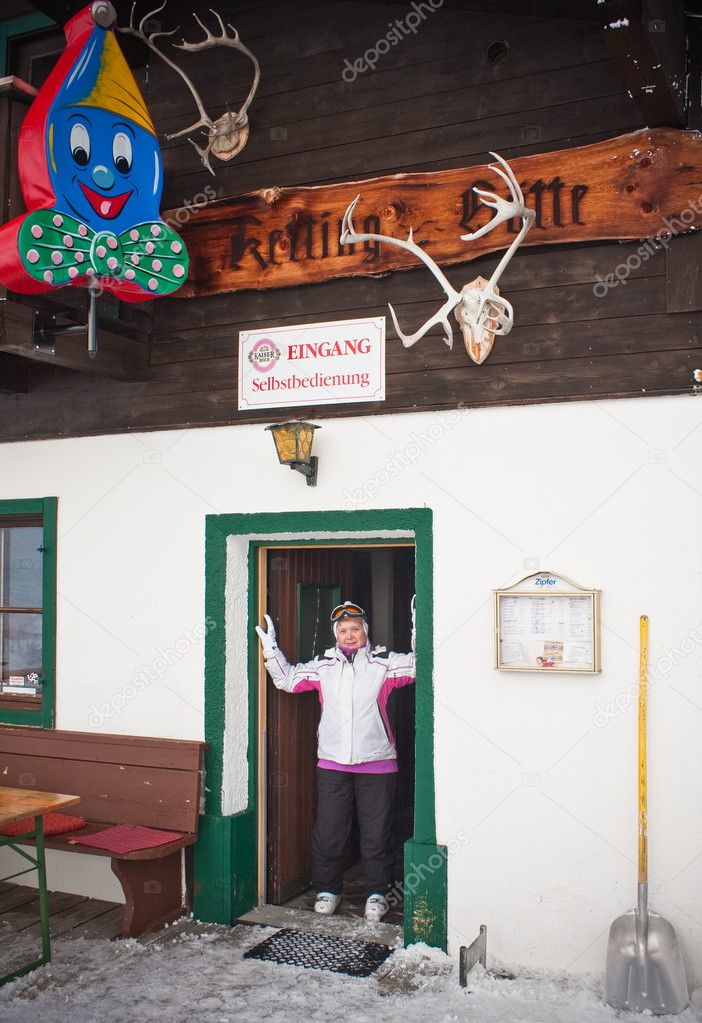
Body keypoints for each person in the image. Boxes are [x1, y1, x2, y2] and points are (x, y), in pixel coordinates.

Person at [255, 598, 416, 922]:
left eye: (355, 628)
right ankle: (328, 889)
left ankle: (376, 894)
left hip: (377, 763)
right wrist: (271, 649)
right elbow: (286, 679)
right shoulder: (323, 668)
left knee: (375, 833)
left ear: (365, 631)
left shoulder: (383, 665)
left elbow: (420, 664)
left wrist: (419, 626)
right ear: (335, 635)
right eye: (343, 630)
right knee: (329, 831)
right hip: (333, 764)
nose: (349, 634)